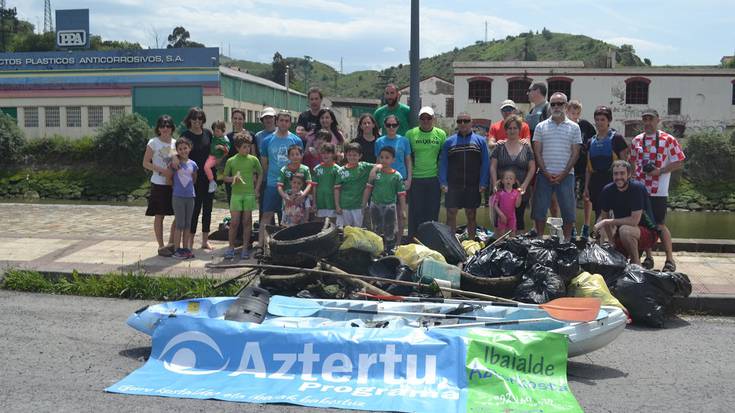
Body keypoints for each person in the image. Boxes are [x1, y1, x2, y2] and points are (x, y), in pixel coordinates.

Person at [629, 108, 686, 272]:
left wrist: (659, 171)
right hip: (640, 189)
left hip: (658, 190)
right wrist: (633, 179)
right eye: (645, 119)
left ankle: (669, 259)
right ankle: (648, 257)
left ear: (657, 120)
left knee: (659, 225)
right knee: (642, 224)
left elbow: (679, 162)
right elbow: (632, 161)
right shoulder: (637, 140)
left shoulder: (668, 139)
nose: (647, 123)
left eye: (650, 119)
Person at [531, 92, 581, 241]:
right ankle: (540, 238)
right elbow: (537, 152)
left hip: (566, 175)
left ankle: (566, 240)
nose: (556, 107)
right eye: (553, 104)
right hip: (544, 175)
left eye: (560, 104)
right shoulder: (541, 127)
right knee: (539, 210)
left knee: (568, 210)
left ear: (566, 106)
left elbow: (575, 153)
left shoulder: (574, 127)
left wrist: (564, 173)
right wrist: (545, 172)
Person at [594, 160, 659, 265]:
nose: (619, 177)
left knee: (625, 230)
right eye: (616, 174)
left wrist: (607, 222)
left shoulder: (637, 188)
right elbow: (604, 216)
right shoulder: (607, 190)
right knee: (615, 263)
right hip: (622, 233)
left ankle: (636, 265)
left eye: (622, 173)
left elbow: (634, 221)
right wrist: (611, 241)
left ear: (629, 174)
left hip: (648, 233)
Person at [439, 112, 489, 237]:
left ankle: (471, 242)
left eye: (466, 121)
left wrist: (483, 182)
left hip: (473, 184)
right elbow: (443, 163)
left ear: (471, 123)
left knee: (471, 214)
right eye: (460, 121)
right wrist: (443, 182)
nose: (463, 124)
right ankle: (451, 242)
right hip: (453, 184)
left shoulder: (480, 141)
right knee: (451, 213)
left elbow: (485, 163)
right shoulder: (448, 142)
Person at [259, 111, 304, 247]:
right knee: (267, 214)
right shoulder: (267, 140)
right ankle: (261, 244)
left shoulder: (296, 140)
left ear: (290, 123)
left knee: (290, 217)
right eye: (281, 120)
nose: (284, 123)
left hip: (292, 186)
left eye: (287, 120)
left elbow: (299, 162)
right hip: (273, 183)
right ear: (277, 121)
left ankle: (288, 244)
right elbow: (264, 163)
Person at [405, 106, 446, 240]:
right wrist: (408, 179)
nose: (426, 120)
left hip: (434, 179)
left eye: (428, 118)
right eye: (423, 118)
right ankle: (413, 240)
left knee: (432, 212)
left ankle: (430, 241)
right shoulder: (410, 134)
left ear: (433, 119)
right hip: (416, 179)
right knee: (415, 212)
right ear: (419, 119)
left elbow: (442, 157)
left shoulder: (441, 134)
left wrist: (443, 180)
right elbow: (408, 157)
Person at [584, 106, 629, 225]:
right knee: (599, 213)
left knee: (613, 214)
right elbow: (588, 168)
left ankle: (614, 241)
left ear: (609, 121)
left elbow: (625, 164)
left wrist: (626, 184)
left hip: (613, 181)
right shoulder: (590, 141)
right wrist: (586, 187)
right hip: (596, 182)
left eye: (602, 119)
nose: (599, 122)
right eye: (597, 120)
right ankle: (600, 241)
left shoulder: (617, 138)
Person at [490, 115, 536, 232]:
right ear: (506, 130)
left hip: (520, 191)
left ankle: (516, 246)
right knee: (500, 222)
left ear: (519, 129)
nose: (512, 130)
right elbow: (493, 166)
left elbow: (532, 168)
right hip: (502, 190)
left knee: (518, 221)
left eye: (515, 128)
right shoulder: (499, 147)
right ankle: (501, 246)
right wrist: (495, 183)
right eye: (509, 128)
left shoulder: (527, 148)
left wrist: (525, 185)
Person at [222, 132, 262, 260]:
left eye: (248, 146)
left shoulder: (253, 159)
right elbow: (224, 177)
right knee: (234, 223)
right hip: (236, 195)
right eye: (244, 147)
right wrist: (233, 178)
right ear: (238, 148)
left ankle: (245, 248)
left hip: (249, 194)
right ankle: (230, 247)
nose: (247, 149)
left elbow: (260, 173)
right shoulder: (231, 160)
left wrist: (256, 189)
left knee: (247, 222)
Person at [142, 115, 177, 257]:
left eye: (168, 126)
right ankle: (161, 246)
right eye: (162, 126)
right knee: (159, 215)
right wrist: (162, 170)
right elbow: (145, 162)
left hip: (173, 184)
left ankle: (171, 243)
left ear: (172, 128)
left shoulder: (175, 143)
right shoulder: (153, 142)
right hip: (158, 183)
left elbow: (176, 162)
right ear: (158, 128)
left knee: (178, 214)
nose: (165, 128)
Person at [180, 107, 214, 250]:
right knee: (194, 210)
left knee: (208, 209)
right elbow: (178, 154)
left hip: (208, 177)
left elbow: (213, 154)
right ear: (190, 120)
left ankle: (205, 241)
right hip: (192, 179)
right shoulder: (185, 135)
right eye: (194, 118)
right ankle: (190, 241)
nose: (197, 121)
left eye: (200, 118)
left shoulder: (208, 133)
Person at [375, 114, 412, 242]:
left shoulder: (404, 140)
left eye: (394, 125)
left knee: (400, 212)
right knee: (384, 213)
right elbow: (377, 162)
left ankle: (398, 242)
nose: (391, 127)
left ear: (398, 126)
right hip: (384, 180)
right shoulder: (379, 141)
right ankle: (384, 241)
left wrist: (409, 179)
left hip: (400, 179)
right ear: (384, 126)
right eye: (388, 125)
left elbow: (408, 160)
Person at [363, 146, 407, 252]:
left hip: (389, 207)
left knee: (389, 230)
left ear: (393, 160)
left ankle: (389, 252)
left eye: (387, 157)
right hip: (375, 205)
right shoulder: (375, 173)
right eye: (381, 157)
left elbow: (401, 194)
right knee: (375, 230)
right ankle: (376, 252)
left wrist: (403, 210)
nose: (384, 160)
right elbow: (368, 188)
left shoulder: (397, 176)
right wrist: (363, 203)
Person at [566, 100, 597, 240]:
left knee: (587, 197)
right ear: (567, 111)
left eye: (577, 113)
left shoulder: (585, 126)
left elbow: (593, 143)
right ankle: (571, 226)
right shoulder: (564, 126)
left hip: (584, 167)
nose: (575, 115)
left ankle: (586, 226)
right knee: (570, 198)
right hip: (570, 166)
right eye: (573, 112)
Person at [334, 142, 374, 228]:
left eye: (355, 155)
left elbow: (379, 166)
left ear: (360, 156)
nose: (352, 157)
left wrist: (372, 175)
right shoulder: (341, 171)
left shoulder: (364, 167)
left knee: (358, 231)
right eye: (349, 155)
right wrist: (337, 206)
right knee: (345, 231)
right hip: (344, 206)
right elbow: (337, 189)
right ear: (346, 155)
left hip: (359, 206)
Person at [170, 137, 198, 259]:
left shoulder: (193, 164)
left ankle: (185, 248)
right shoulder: (174, 163)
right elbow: (169, 178)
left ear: (189, 148)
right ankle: (177, 250)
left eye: (185, 148)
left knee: (188, 224)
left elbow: (194, 178)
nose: (183, 151)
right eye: (180, 149)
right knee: (179, 224)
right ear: (177, 150)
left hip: (190, 196)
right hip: (178, 197)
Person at [276, 144, 313, 216]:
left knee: (301, 219)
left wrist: (303, 195)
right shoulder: (284, 170)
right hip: (288, 199)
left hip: (301, 198)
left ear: (302, 155)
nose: (295, 156)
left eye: (297, 154)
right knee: (288, 220)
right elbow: (279, 186)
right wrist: (285, 197)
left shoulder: (305, 169)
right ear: (288, 157)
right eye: (292, 155)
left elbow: (309, 184)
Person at [311, 142, 340, 222]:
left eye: (328, 153)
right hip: (320, 202)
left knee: (333, 224)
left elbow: (339, 188)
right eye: (323, 153)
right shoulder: (317, 169)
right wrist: (314, 203)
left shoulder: (338, 169)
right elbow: (314, 187)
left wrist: (338, 205)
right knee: (319, 224)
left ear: (333, 154)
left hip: (332, 203)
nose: (325, 155)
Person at [203, 120, 232, 193]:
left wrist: (221, 147)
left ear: (223, 130)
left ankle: (212, 182)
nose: (215, 133)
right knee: (205, 167)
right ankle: (211, 180)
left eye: (217, 131)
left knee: (206, 167)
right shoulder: (214, 137)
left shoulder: (224, 139)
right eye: (214, 131)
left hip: (216, 157)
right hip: (210, 155)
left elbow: (227, 149)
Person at [225, 108, 247, 202]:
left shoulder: (250, 135)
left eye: (240, 118)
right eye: (235, 118)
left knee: (246, 208)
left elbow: (254, 155)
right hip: (232, 175)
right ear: (232, 119)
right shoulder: (227, 137)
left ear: (244, 120)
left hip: (246, 174)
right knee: (233, 206)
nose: (237, 121)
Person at [493, 170, 523, 237]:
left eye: (511, 178)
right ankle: (502, 246)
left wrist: (520, 196)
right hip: (501, 217)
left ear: (514, 181)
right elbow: (495, 205)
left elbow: (517, 205)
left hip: (512, 217)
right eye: (506, 178)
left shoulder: (516, 193)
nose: (508, 180)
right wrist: (501, 215)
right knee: (501, 235)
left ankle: (511, 246)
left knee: (512, 234)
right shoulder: (499, 192)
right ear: (502, 181)